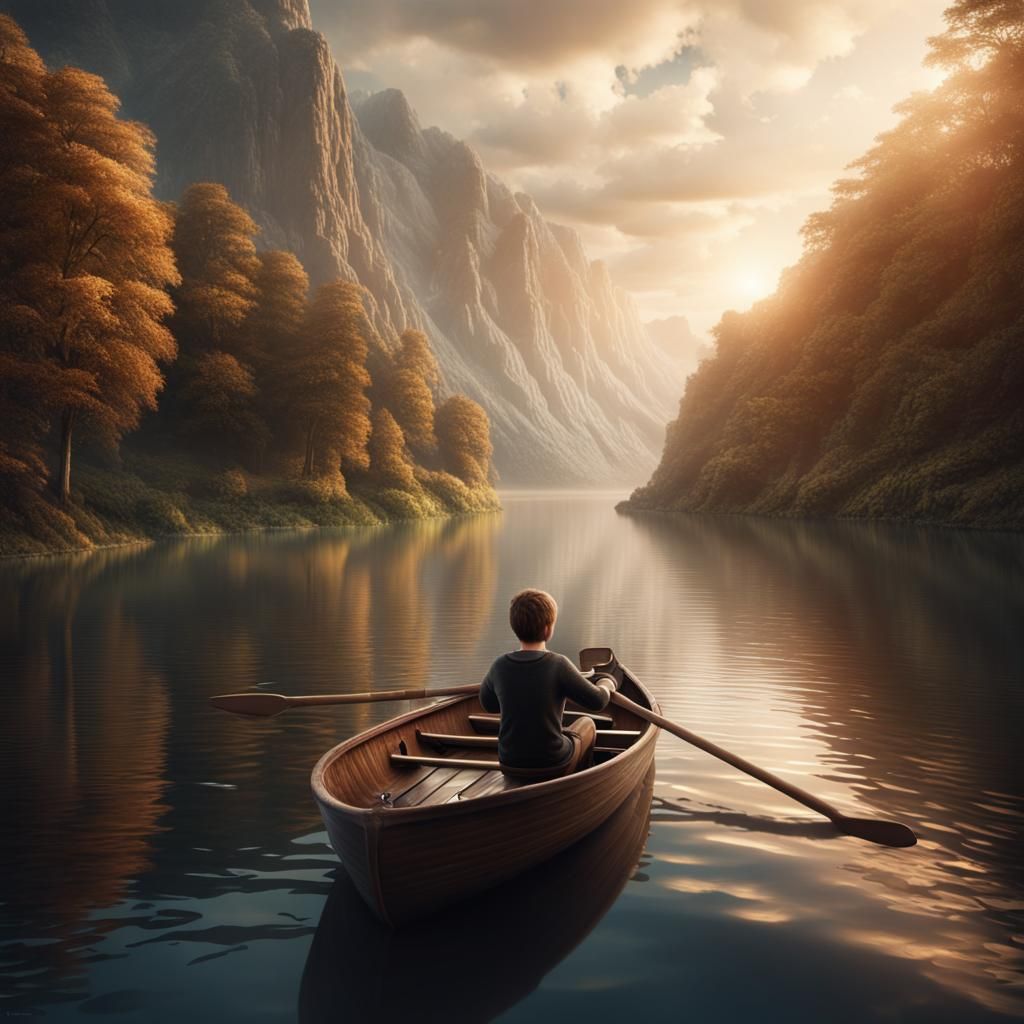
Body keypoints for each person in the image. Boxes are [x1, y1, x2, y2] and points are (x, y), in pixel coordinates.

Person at [478, 588, 617, 780]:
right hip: (551, 762)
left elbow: (488, 704)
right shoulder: (558, 664)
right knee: (588, 724)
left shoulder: (499, 666)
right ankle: (578, 781)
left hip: (509, 763)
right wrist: (607, 683)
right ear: (547, 629)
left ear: (514, 627)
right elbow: (598, 701)